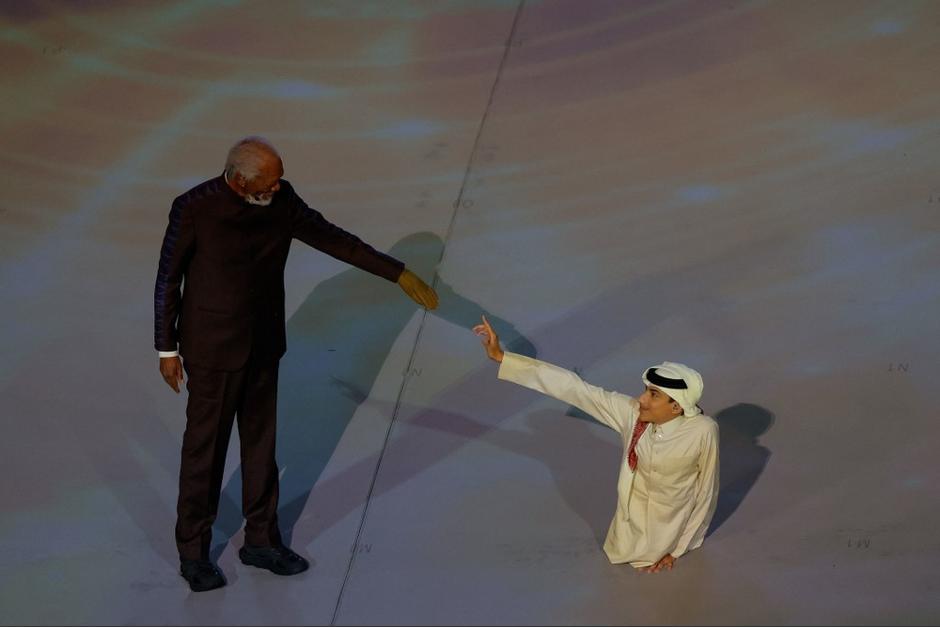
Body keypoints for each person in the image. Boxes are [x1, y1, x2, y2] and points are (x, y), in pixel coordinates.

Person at [154, 136, 439, 592]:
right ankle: (194, 552)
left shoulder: (281, 200)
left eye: (280, 176)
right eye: (271, 178)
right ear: (242, 180)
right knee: (204, 453)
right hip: (213, 350)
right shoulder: (193, 207)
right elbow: (169, 277)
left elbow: (332, 238)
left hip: (263, 344)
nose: (280, 184)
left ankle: (261, 541)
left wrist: (396, 272)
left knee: (261, 447)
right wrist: (166, 349)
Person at [473, 315, 718, 573]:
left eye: (653, 395)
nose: (641, 399)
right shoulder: (632, 415)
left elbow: (706, 492)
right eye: (645, 390)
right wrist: (503, 357)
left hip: (670, 529)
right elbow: (574, 388)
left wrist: (679, 549)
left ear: (676, 405)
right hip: (627, 528)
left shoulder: (703, 431)